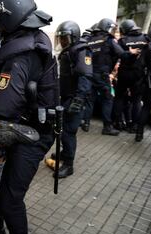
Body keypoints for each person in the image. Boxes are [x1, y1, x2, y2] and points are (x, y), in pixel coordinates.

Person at [0, 1, 59, 234]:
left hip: (32, 135)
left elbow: (6, 107)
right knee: (2, 187)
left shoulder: (20, 55)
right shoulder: (32, 39)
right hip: (28, 127)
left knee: (11, 199)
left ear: (7, 20)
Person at [46, 20, 92, 179]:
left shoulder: (81, 51)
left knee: (68, 132)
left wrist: (78, 100)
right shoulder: (69, 50)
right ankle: (64, 153)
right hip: (66, 97)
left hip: (74, 98)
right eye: (61, 38)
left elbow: (85, 77)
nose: (62, 41)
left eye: (65, 38)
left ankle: (69, 165)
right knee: (63, 129)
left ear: (74, 36)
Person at [83, 18, 140, 135]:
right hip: (103, 76)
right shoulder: (108, 40)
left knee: (90, 100)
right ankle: (107, 127)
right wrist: (131, 53)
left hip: (90, 74)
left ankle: (86, 123)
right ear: (107, 28)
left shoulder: (90, 40)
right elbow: (122, 54)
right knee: (107, 100)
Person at [113, 19, 148, 133]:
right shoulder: (146, 38)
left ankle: (118, 122)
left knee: (119, 98)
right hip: (139, 73)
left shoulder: (123, 40)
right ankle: (134, 126)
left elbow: (118, 55)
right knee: (136, 101)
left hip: (124, 73)